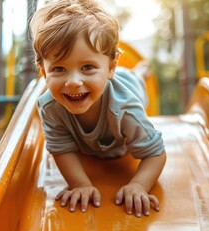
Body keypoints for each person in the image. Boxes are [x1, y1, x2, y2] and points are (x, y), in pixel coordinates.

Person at [30, 0, 166, 218]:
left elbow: (155, 154)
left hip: (130, 85)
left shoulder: (126, 108)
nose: (73, 81)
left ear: (111, 67)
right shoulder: (50, 107)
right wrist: (81, 184)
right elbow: (61, 148)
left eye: (87, 67)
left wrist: (139, 185)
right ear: (44, 72)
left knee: (136, 79)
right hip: (108, 86)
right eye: (59, 68)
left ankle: (140, 71)